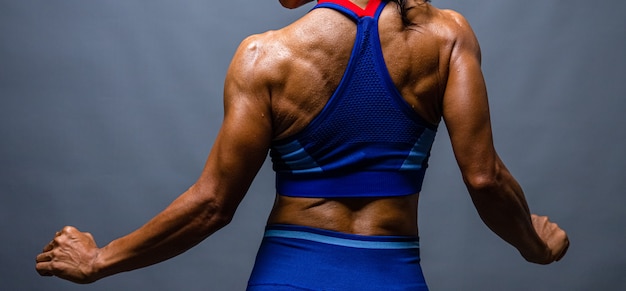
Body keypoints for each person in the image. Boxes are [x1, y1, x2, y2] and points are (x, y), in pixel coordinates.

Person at [35, 0, 569, 289]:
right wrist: (534, 246)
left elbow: (213, 204)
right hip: (392, 275)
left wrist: (99, 260)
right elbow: (485, 178)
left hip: (289, 276)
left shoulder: (264, 57)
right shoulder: (447, 35)